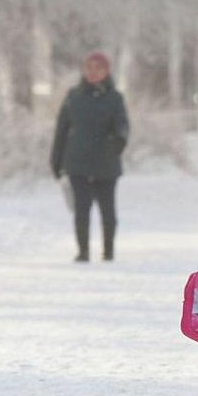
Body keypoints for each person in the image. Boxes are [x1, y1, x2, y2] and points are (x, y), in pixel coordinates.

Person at [50, 52, 129, 262]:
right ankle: (83, 251)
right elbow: (62, 129)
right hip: (77, 162)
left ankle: (108, 250)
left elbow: (122, 125)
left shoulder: (115, 98)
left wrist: (118, 142)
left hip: (106, 163)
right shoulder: (73, 96)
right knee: (81, 209)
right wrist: (56, 160)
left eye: (98, 68)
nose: (93, 72)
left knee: (108, 211)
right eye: (89, 67)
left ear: (106, 71)